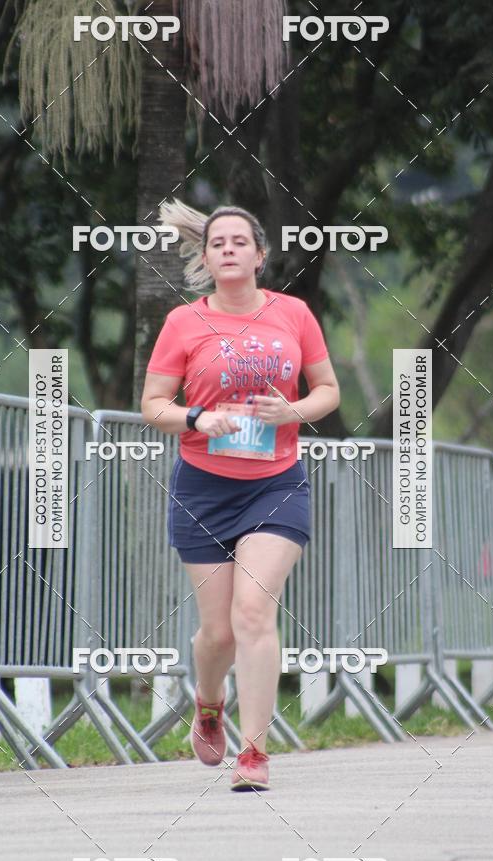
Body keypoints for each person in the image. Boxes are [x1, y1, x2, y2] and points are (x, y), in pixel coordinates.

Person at [141, 198, 340, 790]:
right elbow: (153, 405)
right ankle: (209, 704)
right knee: (219, 633)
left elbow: (327, 390)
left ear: (259, 255)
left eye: (239, 242)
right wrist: (198, 418)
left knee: (253, 611)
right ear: (205, 258)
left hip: (276, 483)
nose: (228, 250)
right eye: (217, 243)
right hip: (203, 488)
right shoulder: (183, 323)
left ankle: (254, 753)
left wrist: (291, 411)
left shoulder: (293, 313)